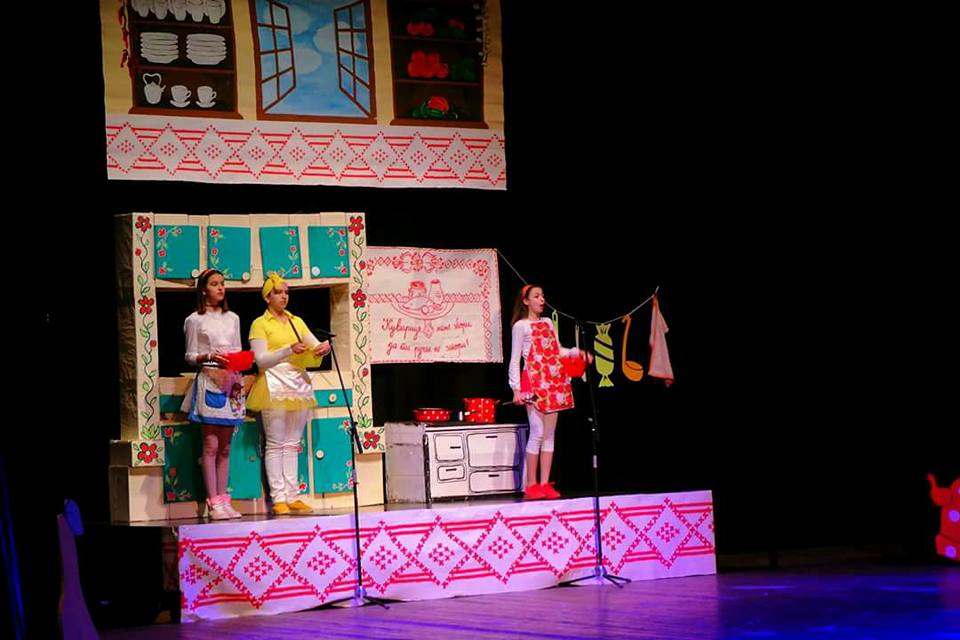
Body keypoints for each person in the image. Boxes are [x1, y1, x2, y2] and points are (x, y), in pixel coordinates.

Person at [246, 273, 331, 515]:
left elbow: (313, 346)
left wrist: (322, 349)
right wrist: (288, 350)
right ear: (267, 297)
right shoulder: (260, 324)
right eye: (278, 292)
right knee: (275, 443)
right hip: (273, 383)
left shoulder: (296, 321)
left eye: (286, 292)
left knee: (293, 444)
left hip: (297, 383)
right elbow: (261, 360)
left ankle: (293, 495)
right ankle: (279, 497)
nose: (284, 296)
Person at [508, 284, 591, 500]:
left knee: (549, 435)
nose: (542, 299)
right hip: (534, 382)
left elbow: (557, 350)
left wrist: (577, 353)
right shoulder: (521, 326)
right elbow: (515, 359)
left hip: (553, 382)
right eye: (536, 296)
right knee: (537, 432)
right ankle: (531, 485)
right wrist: (516, 388)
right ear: (526, 301)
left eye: (543, 295)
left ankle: (545, 484)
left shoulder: (547, 322)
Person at [181, 268, 245, 520]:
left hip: (230, 380)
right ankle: (213, 502)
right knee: (211, 444)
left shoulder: (233, 318)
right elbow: (189, 356)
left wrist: (238, 364)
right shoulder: (194, 320)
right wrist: (209, 356)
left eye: (222, 283)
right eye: (215, 284)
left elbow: (237, 348)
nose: (220, 288)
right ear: (203, 289)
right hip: (209, 378)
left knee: (226, 447)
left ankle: (224, 500)